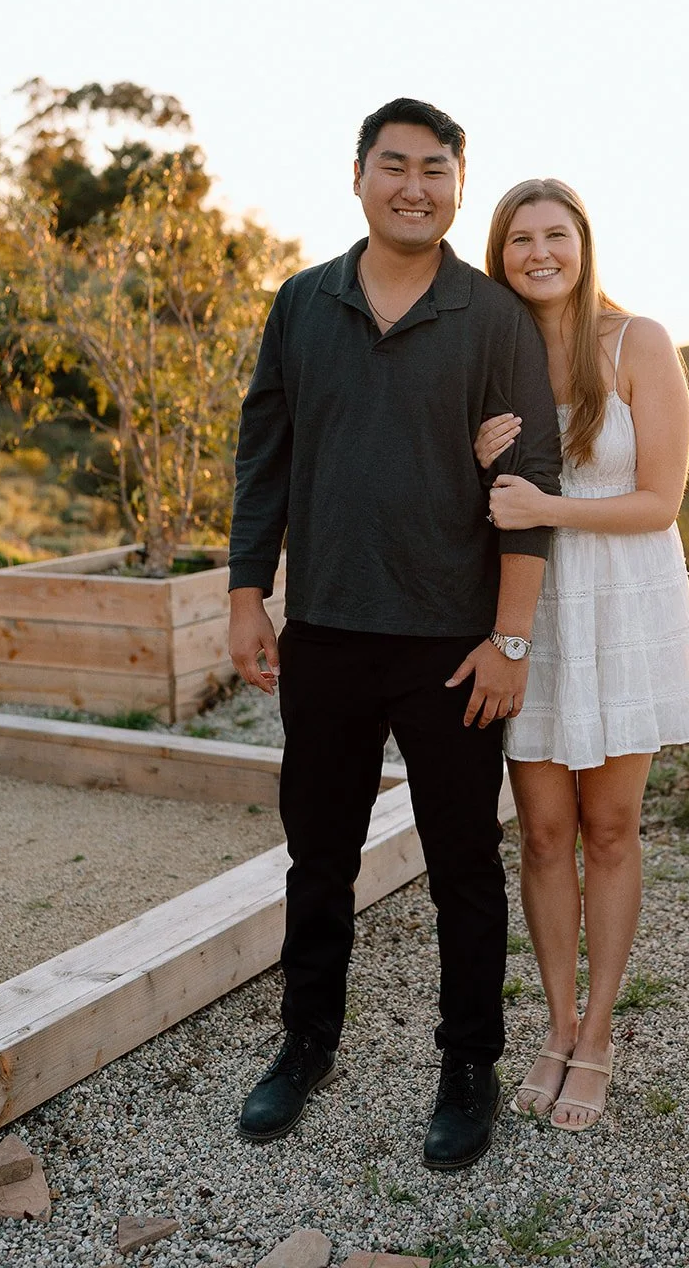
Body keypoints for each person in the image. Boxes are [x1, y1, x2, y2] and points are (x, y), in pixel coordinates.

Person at [227, 99, 561, 1170]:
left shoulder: (493, 318)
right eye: (393, 166)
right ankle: (305, 1042)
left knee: (464, 863)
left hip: (450, 645)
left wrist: (508, 643)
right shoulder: (299, 301)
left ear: (459, 184)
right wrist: (245, 590)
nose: (413, 185)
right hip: (322, 630)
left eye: (434, 169)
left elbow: (529, 482)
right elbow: (263, 454)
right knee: (315, 855)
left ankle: (469, 1067)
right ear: (358, 175)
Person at [474, 177, 689, 1131]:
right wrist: (474, 459)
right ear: (499, 255)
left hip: (623, 609)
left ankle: (602, 1033)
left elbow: (660, 500)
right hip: (529, 610)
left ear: (583, 245)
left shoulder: (639, 342)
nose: (538, 254)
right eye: (519, 240)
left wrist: (549, 508)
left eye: (555, 236)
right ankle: (555, 1025)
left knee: (609, 829)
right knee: (540, 833)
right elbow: (479, 507)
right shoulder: (489, 357)